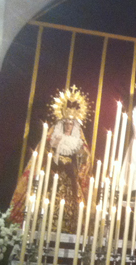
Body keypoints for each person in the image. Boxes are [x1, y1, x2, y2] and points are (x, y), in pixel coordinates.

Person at [10, 86, 92, 233]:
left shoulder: (78, 139)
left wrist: (81, 154)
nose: (68, 125)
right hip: (53, 174)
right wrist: (51, 149)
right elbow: (42, 152)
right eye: (66, 122)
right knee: (47, 200)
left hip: (70, 177)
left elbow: (85, 159)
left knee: (73, 205)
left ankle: (69, 228)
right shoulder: (54, 134)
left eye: (71, 123)